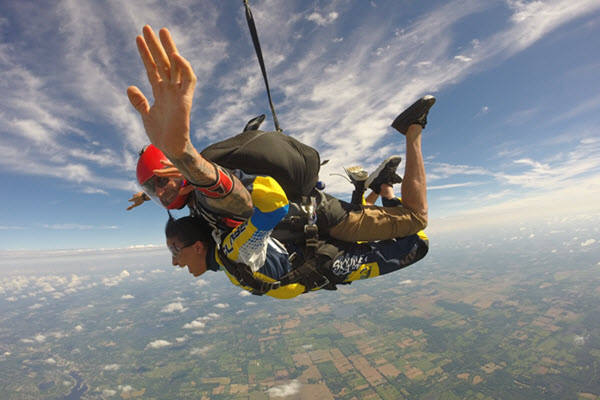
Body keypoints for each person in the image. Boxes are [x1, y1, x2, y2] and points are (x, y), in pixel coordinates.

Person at [127, 25, 433, 244]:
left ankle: (412, 131)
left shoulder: (207, 192)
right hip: (310, 217)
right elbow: (186, 185)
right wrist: (150, 191)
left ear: (177, 172)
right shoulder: (191, 192)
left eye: (162, 181)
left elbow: (233, 196)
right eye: (155, 188)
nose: (162, 192)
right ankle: (380, 185)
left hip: (329, 219)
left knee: (416, 219)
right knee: (366, 211)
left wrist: (184, 156)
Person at [166, 176, 428, 299]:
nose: (175, 262)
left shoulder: (235, 249)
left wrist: (222, 179)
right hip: (319, 255)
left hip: (329, 263)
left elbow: (275, 207)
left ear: (198, 246)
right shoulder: (223, 244)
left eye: (175, 251)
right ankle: (380, 188)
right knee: (370, 235)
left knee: (418, 244)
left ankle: (388, 191)